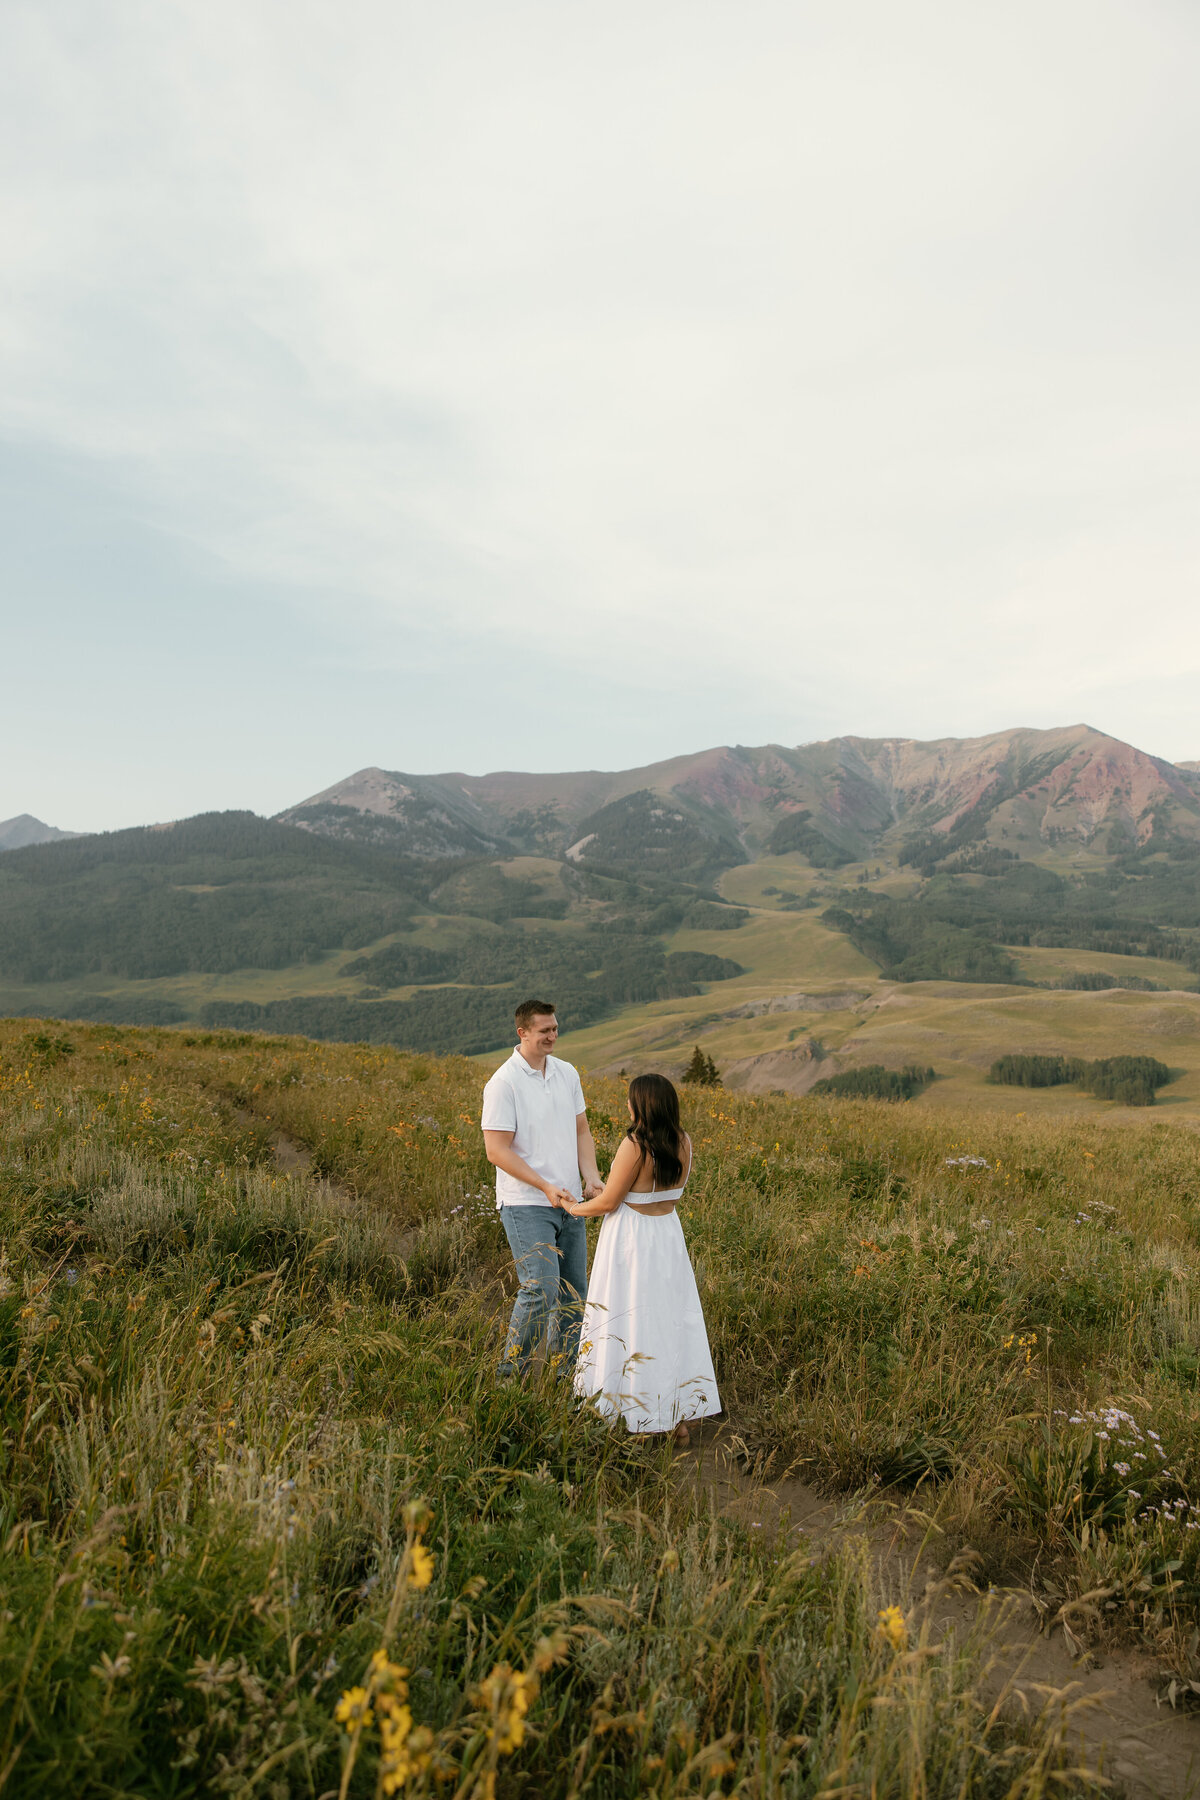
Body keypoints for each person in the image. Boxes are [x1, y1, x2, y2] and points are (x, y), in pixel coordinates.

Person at [560, 1072, 720, 1444]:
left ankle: (638, 1414)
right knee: (669, 1322)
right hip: (667, 1236)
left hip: (631, 1241)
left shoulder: (634, 1144)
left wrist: (573, 1207)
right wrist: (607, 1190)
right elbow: (650, 1193)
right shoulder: (684, 1142)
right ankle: (677, 1414)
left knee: (630, 1320)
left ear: (641, 1105)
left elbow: (610, 1202)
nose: (627, 1106)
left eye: (631, 1100)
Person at [481, 999, 603, 1380]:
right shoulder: (504, 1083)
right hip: (526, 1203)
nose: (553, 1035)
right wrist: (545, 1186)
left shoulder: (567, 1073)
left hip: (570, 1203)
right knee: (541, 1288)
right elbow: (496, 1150)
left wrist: (592, 1177)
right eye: (544, 1031)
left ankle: (564, 1378)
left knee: (573, 1294)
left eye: (555, 1028)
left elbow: (581, 1130)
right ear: (522, 1032)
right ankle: (510, 1376)